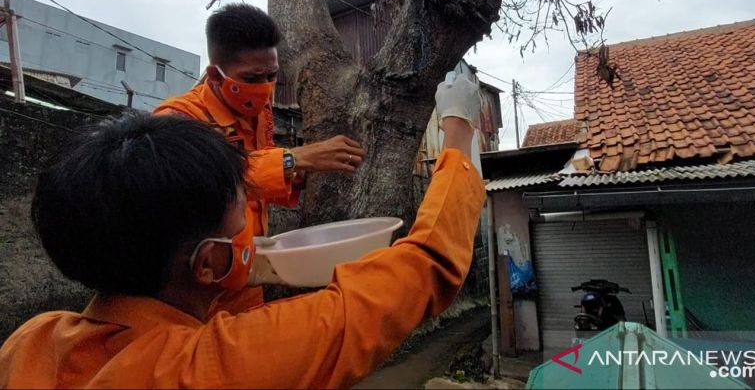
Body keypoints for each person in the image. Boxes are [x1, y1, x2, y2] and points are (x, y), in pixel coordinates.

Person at [0, 75, 484, 389]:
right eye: (246, 230)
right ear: (208, 262)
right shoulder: (218, 366)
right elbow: (425, 268)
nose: (259, 241)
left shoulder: (31, 341)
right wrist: (458, 130)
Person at [154, 3, 366, 314]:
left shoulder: (259, 111)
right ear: (215, 75)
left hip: (248, 277)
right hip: (195, 294)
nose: (265, 89)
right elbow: (202, 189)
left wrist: (292, 178)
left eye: (272, 76)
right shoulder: (178, 119)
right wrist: (292, 159)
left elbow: (253, 172)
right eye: (253, 78)